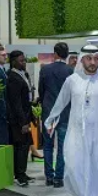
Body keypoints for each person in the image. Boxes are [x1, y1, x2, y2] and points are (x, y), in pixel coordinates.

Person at [44, 45, 98, 196]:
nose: (92, 62)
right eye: (88, 58)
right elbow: (60, 102)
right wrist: (50, 121)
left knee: (97, 172)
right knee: (72, 168)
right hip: (75, 134)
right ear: (82, 59)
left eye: (95, 58)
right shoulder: (72, 80)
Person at [38, 42, 73, 187]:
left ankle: (49, 177)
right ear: (67, 54)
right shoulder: (70, 71)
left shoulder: (45, 69)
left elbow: (41, 91)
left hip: (49, 112)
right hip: (64, 113)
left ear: (55, 54)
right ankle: (59, 178)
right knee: (62, 146)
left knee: (47, 145)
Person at [6, 51, 34, 187]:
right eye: (21, 61)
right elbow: (15, 102)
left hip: (25, 116)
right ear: (13, 62)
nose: (24, 63)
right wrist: (23, 122)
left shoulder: (24, 74)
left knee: (25, 145)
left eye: (24, 60)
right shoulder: (12, 78)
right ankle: (19, 175)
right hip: (18, 120)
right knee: (20, 147)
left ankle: (22, 172)